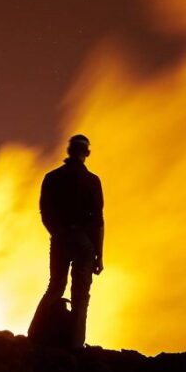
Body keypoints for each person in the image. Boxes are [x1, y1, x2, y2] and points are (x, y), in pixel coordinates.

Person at [33, 134, 104, 349]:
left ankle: (34, 334)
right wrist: (99, 254)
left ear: (69, 151)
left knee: (55, 286)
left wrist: (57, 233)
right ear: (87, 153)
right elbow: (98, 221)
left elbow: (45, 212)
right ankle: (75, 345)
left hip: (60, 239)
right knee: (80, 295)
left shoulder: (52, 178)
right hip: (84, 243)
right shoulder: (92, 181)